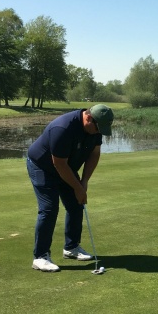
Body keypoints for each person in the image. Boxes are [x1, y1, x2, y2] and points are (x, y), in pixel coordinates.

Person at [26, 104, 114, 272]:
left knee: (76, 204)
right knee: (49, 209)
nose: (98, 132)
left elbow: (94, 155)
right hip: (42, 167)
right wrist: (77, 187)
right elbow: (59, 164)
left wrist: (84, 181)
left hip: (66, 165)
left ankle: (71, 248)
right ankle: (40, 256)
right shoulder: (63, 128)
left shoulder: (95, 130)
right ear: (88, 118)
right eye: (98, 128)